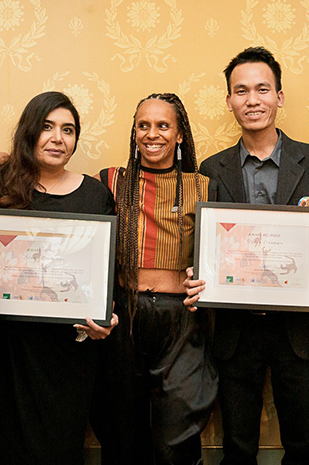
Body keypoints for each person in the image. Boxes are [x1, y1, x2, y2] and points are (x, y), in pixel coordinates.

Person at [184, 46, 309, 465]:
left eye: (262, 90)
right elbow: (204, 242)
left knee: (305, 442)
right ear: (229, 100)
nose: (252, 100)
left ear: (280, 97)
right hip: (235, 328)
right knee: (238, 444)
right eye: (241, 91)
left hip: (299, 328)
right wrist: (197, 276)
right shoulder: (210, 169)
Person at [0, 91, 119, 464]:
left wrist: (107, 315)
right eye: (47, 127)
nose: (58, 138)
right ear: (29, 132)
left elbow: (105, 271)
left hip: (68, 353)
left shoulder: (95, 193)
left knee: (58, 447)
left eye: (68, 130)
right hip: (6, 351)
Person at [91, 93, 217, 465]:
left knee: (175, 432)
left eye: (163, 126)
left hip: (182, 320)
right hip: (126, 315)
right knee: (122, 427)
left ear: (179, 135)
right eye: (143, 126)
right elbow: (59, 190)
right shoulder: (111, 181)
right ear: (134, 132)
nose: (152, 134)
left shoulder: (203, 186)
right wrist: (8, 162)